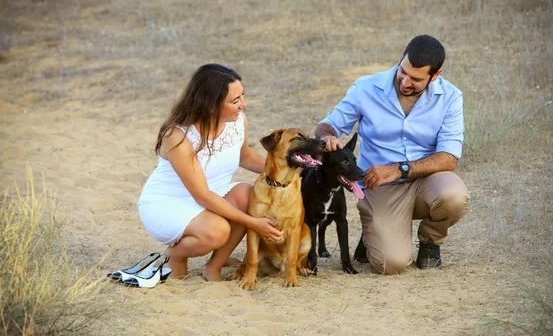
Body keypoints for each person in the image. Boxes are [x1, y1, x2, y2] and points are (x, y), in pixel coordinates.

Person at [315, 35, 469, 274]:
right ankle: (374, 233)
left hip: (426, 182)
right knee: (391, 264)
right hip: (379, 186)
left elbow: (449, 158)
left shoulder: (451, 97)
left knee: (454, 196)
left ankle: (431, 241)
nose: (405, 82)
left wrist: (398, 169)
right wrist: (327, 138)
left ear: (435, 75)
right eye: (403, 71)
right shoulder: (366, 87)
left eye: (416, 79)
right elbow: (327, 125)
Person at [137, 64, 282, 281]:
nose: (244, 104)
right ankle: (174, 255)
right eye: (235, 101)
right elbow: (202, 195)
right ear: (211, 105)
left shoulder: (237, 121)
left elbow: (245, 157)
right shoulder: (177, 136)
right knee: (217, 231)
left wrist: (285, 172)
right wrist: (253, 223)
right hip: (169, 202)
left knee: (248, 194)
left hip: (213, 191)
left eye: (242, 96)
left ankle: (213, 266)